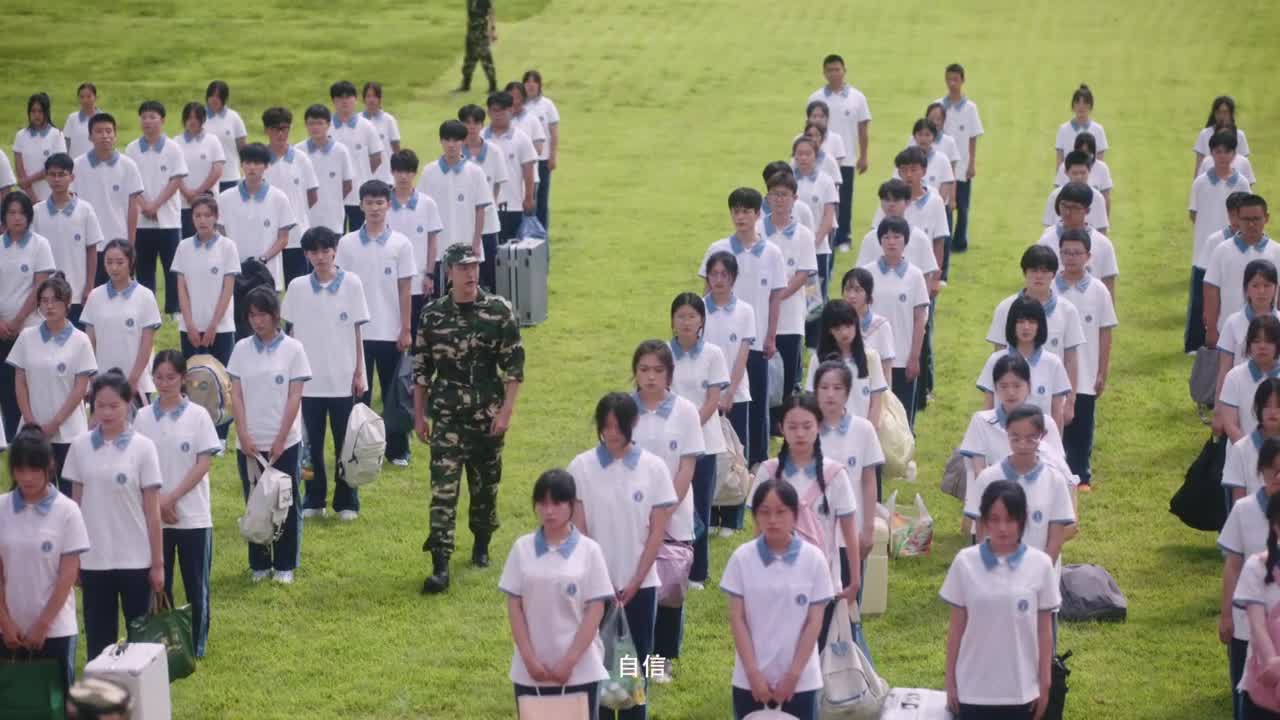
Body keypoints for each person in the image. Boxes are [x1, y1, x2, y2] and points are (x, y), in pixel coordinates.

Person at [413, 244, 524, 593]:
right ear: (449, 272)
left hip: (486, 418)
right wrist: (419, 416)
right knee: (443, 492)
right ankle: (440, 564)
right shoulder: (433, 315)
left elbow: (514, 368)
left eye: (474, 266)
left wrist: (506, 413)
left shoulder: (498, 311)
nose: (471, 274)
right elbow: (421, 370)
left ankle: (481, 542)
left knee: (485, 488)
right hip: (447, 418)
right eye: (463, 268)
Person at [569, 393, 676, 720]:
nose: (611, 433)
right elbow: (580, 531)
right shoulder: (581, 467)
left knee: (636, 666)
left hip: (640, 586)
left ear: (633, 423)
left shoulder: (653, 468)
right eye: (605, 426)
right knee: (597, 665)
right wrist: (601, 583)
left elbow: (657, 533)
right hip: (595, 589)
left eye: (618, 426)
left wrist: (635, 581)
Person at [64, 370, 164, 662]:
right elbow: (75, 509)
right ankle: (101, 691)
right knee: (98, 643)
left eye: (113, 406)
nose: (106, 413)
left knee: (140, 646)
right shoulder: (80, 447)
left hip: (136, 560)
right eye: (100, 406)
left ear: (128, 403)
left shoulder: (143, 448)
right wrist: (74, 559)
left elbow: (152, 512)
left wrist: (158, 564)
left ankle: (140, 690)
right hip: (94, 560)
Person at [747, 394, 860, 651]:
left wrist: (854, 580)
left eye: (807, 426)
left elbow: (848, 531)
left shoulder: (835, 475)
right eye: (793, 426)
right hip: (774, 580)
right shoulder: (768, 472)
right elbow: (758, 530)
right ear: (781, 429)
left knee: (816, 653)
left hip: (823, 582)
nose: (800, 434)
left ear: (818, 427)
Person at [499, 470, 611, 719]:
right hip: (530, 672)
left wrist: (569, 662)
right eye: (542, 503)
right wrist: (530, 660)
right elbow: (514, 607)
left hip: (580, 670)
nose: (549, 511)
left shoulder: (590, 551)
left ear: (572, 505)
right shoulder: (522, 548)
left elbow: (595, 611)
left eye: (557, 503)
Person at [943, 481, 1059, 720]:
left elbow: (1044, 632)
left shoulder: (1041, 565)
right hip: (972, 692)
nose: (1002, 528)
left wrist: (1044, 683)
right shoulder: (965, 563)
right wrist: (950, 681)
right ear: (984, 520)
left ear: (1023, 519)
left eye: (1010, 519)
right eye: (994, 519)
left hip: (1022, 693)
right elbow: (956, 629)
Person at [722, 479, 834, 720]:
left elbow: (814, 622)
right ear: (755, 516)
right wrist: (753, 675)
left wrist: (793, 676)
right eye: (764, 512)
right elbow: (737, 619)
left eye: (781, 512)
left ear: (795, 515)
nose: (772, 520)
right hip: (749, 681)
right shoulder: (742, 559)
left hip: (801, 682)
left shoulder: (814, 560)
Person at [133, 351, 219, 658]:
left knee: (196, 585)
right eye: (159, 377)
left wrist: (171, 498)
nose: (165, 383)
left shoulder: (198, 416)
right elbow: (137, 465)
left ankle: (196, 645)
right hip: (156, 518)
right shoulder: (142, 418)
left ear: (183, 379)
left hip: (193, 516)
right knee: (160, 584)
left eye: (171, 377)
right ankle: (165, 645)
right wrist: (158, 504)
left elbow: (203, 463)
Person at [629, 340, 706, 682]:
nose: (650, 377)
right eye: (644, 369)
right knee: (634, 591)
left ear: (669, 375)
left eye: (658, 370)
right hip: (632, 516)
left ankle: (662, 662)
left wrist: (664, 508)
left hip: (675, 515)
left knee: (670, 589)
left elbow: (687, 467)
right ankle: (633, 662)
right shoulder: (624, 410)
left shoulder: (685, 411)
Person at [284, 226, 369, 520]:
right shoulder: (297, 287)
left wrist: (360, 372)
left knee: (347, 444)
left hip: (343, 380)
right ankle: (313, 498)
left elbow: (357, 332)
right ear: (306, 254)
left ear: (334, 251)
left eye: (325, 250)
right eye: (314, 252)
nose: (320, 257)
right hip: (308, 382)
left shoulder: (352, 284)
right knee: (310, 446)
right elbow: (291, 334)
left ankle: (347, 501)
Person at [227, 287, 311, 584]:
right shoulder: (241, 349)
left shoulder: (293, 350)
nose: (257, 321)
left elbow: (294, 396)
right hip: (250, 443)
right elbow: (236, 394)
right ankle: (259, 563)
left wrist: (280, 438)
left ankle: (285, 564)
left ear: (275, 315)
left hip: (285, 442)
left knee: (285, 502)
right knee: (255, 502)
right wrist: (243, 433)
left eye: (262, 314)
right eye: (251, 315)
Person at [698, 189, 786, 467]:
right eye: (736, 211)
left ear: (758, 214)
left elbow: (775, 297)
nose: (740, 217)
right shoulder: (718, 249)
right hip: (721, 342)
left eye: (746, 211)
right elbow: (706, 293)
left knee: (754, 401)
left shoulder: (772, 253)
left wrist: (771, 335)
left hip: (755, 341)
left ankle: (756, 461)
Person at [0, 427, 90, 692]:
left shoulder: (67, 511)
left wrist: (43, 624)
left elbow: (67, 575)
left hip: (56, 629)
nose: (26, 477)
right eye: (20, 470)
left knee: (55, 703)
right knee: (12, 703)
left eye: (34, 469)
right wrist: (5, 622)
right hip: (8, 629)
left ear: (48, 467)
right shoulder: (2, 508)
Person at [337, 180, 416, 467]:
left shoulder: (401, 244)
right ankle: (360, 449)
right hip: (357, 332)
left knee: (394, 396)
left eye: (379, 202)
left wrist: (406, 328)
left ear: (388, 205)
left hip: (390, 331)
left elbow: (405, 289)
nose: (374, 208)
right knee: (360, 396)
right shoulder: (346, 244)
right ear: (360, 205)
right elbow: (342, 288)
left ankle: (398, 450)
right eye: (369, 202)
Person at [812, 361, 883, 659]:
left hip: (849, 536)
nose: (830, 394)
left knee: (847, 605)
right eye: (824, 388)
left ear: (848, 392)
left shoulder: (862, 430)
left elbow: (868, 480)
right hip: (813, 536)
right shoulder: (807, 429)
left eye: (837, 388)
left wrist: (868, 528)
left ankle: (850, 668)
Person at [9, 275, 96, 492]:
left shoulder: (80, 340)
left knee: (69, 493)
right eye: (44, 300)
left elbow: (80, 388)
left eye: (55, 300)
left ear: (67, 303)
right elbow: (20, 382)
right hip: (32, 431)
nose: (49, 306)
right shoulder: (27, 337)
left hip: (69, 432)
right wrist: (31, 422)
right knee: (33, 492)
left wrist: (55, 424)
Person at [668, 293, 729, 587]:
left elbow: (713, 400)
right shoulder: (663, 355)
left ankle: (697, 572)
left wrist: (689, 427)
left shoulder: (713, 354)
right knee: (672, 503)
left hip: (705, 442)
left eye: (692, 316)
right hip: (670, 443)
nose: (686, 322)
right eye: (681, 316)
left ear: (702, 321)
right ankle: (670, 563)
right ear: (672, 320)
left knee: (700, 507)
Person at [965, 405, 1076, 558]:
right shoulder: (987, 478)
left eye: (1031, 438)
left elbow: (1055, 541)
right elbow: (982, 535)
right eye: (1015, 438)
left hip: (1040, 571)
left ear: (1042, 435)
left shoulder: (1055, 481)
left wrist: (1041, 571)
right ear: (1006, 432)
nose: (1022, 445)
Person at [1221, 437, 1280, 719]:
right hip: (1253, 643)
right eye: (1273, 469)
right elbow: (1232, 566)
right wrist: (1226, 615)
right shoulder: (1244, 510)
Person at [1054, 229, 1117, 490]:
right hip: (1056, 371)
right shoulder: (1050, 288)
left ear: (1088, 256)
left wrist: (1102, 370)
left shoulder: (1098, 290)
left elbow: (1105, 332)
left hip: (1086, 370)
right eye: (1066, 252)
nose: (1071, 258)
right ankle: (1055, 471)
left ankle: (1081, 475)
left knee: (1082, 425)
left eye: (1077, 253)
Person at [986, 246, 1085, 406]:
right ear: (1024, 273)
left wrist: (1070, 401)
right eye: (1033, 270)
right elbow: (999, 354)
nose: (1039, 276)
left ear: (1054, 274)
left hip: (1050, 397)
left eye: (1045, 271)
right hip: (1010, 399)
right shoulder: (1005, 308)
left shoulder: (1067, 310)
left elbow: (1071, 358)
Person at [701, 252, 755, 535]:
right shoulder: (698, 308)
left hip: (738, 393)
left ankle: (733, 518)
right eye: (714, 274)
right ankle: (710, 514)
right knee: (710, 453)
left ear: (733, 278)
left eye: (724, 274)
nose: (719, 280)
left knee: (735, 456)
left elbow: (743, 354)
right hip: (705, 395)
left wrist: (731, 391)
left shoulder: (745, 311)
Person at [1188, 131, 1252, 353]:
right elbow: (1193, 213)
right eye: (1218, 151)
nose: (1222, 156)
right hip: (1207, 247)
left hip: (1237, 244)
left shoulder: (1242, 182)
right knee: (1201, 297)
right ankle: (1195, 342)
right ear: (1211, 153)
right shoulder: (1200, 182)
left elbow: (1249, 210)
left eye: (1227, 151)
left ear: (1234, 154)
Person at [861, 217, 928, 428]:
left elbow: (920, 320)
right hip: (871, 357)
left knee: (902, 420)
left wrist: (914, 357)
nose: (891, 242)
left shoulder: (915, 276)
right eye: (886, 237)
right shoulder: (867, 273)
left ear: (905, 240)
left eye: (897, 237)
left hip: (902, 359)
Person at [0, 192, 57, 439]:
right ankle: (12, 439)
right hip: (2, 331)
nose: (17, 218)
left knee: (29, 385)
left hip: (30, 328)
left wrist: (17, 320)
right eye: (11, 212)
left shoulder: (39, 245)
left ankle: (33, 436)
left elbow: (39, 286)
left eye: (22, 213)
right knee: (6, 387)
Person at [761, 171, 818, 416]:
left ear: (794, 198)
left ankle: (785, 421)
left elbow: (803, 273)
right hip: (761, 313)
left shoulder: (803, 234)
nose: (779, 199)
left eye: (784, 195)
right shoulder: (758, 229)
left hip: (791, 317)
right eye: (774, 194)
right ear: (767, 197)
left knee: (786, 376)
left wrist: (779, 294)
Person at [959, 354, 1070, 479]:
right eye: (1003, 386)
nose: (1010, 392)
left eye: (1017, 385)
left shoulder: (1046, 423)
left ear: (1029, 386)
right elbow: (978, 472)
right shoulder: (981, 421)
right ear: (995, 388)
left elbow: (1058, 469)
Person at [80, 239, 161, 404]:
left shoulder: (145, 296)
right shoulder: (95, 296)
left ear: (131, 262)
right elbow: (89, 343)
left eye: (120, 262)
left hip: (136, 385)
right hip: (102, 383)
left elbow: (146, 344)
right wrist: (94, 379)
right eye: (109, 262)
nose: (114, 268)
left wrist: (133, 380)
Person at [126, 100, 188, 313]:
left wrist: (156, 205)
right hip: (141, 220)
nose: (148, 121)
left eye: (152, 117)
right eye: (144, 117)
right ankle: (147, 308)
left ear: (162, 120)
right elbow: (130, 182)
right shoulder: (132, 149)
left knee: (172, 266)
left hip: (168, 220)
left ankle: (174, 308)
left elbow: (176, 180)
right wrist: (144, 206)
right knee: (144, 267)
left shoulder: (173, 148)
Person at [976, 296, 1071, 430]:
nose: (1026, 327)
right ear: (1012, 325)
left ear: (1040, 325)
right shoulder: (996, 360)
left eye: (1032, 322)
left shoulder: (1053, 363)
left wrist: (1055, 442)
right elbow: (988, 408)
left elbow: (1057, 413)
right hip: (1001, 437)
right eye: (1020, 321)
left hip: (1039, 440)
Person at [808, 54, 871, 252]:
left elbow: (863, 129)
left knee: (843, 199)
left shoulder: (857, 98)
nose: (834, 73)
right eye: (830, 70)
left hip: (846, 159)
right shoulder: (816, 98)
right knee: (820, 198)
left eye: (837, 69)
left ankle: (843, 237)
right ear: (824, 73)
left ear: (844, 71)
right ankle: (822, 235)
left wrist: (864, 156)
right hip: (819, 159)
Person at [72, 113, 143, 285]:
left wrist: (130, 244)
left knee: (118, 290)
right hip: (86, 243)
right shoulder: (77, 165)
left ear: (115, 135)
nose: (105, 136)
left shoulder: (128, 166)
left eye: (109, 131)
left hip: (117, 242)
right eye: (99, 131)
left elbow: (133, 207)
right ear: (90, 136)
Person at [33, 153, 102, 327]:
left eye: (62, 174)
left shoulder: (85, 210)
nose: (57, 179)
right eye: (52, 174)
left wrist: (89, 286)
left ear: (71, 177)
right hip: (46, 293)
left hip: (77, 292)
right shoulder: (37, 212)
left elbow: (92, 251)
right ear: (46, 177)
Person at [216, 143, 296, 292]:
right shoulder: (225, 198)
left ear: (266, 166)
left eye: (257, 163)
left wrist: (263, 259)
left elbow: (283, 238)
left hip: (269, 274)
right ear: (241, 165)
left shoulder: (279, 198)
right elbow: (221, 234)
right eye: (247, 163)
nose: (252, 167)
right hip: (235, 274)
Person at [173, 194, 238, 369]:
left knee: (222, 378)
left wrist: (214, 325)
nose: (202, 220)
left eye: (207, 215)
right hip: (191, 330)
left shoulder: (228, 247)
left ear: (216, 217)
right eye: (198, 215)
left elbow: (227, 290)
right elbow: (182, 289)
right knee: (193, 377)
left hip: (221, 328)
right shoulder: (184, 247)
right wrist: (189, 325)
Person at [1206, 195, 1278, 349]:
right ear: (1237, 219)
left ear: (1266, 218)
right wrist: (1211, 329)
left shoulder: (1276, 251)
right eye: (1246, 219)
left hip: (1269, 337)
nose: (1251, 224)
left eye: (1256, 219)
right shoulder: (1222, 250)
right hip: (1230, 333)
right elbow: (1211, 289)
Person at [1231, 494, 1280, 719]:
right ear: (1275, 526)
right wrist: (1272, 662)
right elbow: (1257, 626)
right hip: (1263, 690)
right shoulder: (1256, 567)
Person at [417, 120, 491, 266]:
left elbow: (480, 210)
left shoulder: (475, 172)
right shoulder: (429, 171)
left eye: (456, 140)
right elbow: (422, 210)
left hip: (467, 247)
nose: (451, 145)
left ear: (463, 141)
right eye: (447, 140)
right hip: (437, 249)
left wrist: (476, 243)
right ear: (440, 141)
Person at [805, 299, 887, 427]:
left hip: (863, 431)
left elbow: (876, 401)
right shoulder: (818, 359)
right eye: (837, 328)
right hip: (828, 430)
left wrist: (870, 431)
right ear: (829, 330)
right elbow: (812, 399)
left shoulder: (870, 357)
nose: (844, 333)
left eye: (848, 326)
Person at [263, 107, 319, 287]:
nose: (281, 134)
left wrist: (295, 215)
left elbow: (312, 196)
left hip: (297, 237)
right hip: (268, 238)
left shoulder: (301, 159)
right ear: (267, 130)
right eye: (276, 129)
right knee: (269, 290)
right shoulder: (260, 160)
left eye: (285, 129)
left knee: (299, 287)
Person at [872, 148, 949, 279]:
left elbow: (939, 241)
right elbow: (876, 233)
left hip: (923, 269)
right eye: (904, 170)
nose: (908, 174)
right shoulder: (889, 201)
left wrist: (936, 277)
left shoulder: (935, 202)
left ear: (924, 171)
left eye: (913, 170)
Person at [387, 149, 444, 319]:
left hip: (418, 282)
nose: (403, 177)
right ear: (392, 172)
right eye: (399, 171)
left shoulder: (427, 204)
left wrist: (429, 275)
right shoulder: (382, 205)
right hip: (388, 282)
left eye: (408, 171)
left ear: (415, 173)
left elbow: (432, 242)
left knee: (417, 328)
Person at [1037, 181, 1118, 300]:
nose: (1067, 212)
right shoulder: (1046, 241)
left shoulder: (1103, 245)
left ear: (1087, 211)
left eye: (1075, 208)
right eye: (1064, 206)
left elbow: (1108, 288)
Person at [857, 179, 941, 292]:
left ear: (907, 202)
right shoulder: (870, 238)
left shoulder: (920, 238)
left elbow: (926, 274)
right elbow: (861, 274)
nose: (891, 204)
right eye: (886, 200)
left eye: (896, 200)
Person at [937, 64, 983, 252]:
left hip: (962, 166)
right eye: (949, 79)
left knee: (962, 207)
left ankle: (960, 241)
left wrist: (972, 163)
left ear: (962, 80)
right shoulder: (939, 106)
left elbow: (973, 137)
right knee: (944, 205)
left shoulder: (970, 108)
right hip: (942, 166)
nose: (952, 83)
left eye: (956, 79)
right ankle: (943, 240)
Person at [458, 104, 507, 281]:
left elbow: (497, 184)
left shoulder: (494, 151)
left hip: (488, 223)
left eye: (476, 122)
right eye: (467, 122)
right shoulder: (455, 152)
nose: (471, 127)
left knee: (489, 273)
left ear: (482, 124)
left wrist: (490, 203)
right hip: (463, 222)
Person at [1219, 260, 1280, 397]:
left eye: (1267, 285)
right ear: (1246, 289)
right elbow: (1224, 370)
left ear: (1276, 288)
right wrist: (1219, 405)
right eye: (1255, 285)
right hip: (1240, 395)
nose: (1261, 291)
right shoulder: (1233, 323)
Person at [329, 81, 384, 233]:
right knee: (334, 238)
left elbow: (376, 157)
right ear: (333, 100)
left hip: (360, 196)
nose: (344, 101)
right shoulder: (327, 127)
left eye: (348, 97)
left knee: (359, 237)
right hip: (334, 197)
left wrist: (362, 175)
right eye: (340, 97)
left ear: (355, 99)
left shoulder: (366, 126)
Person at [485, 92, 537, 248]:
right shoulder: (481, 139)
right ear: (488, 112)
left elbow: (528, 169)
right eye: (494, 110)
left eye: (503, 110)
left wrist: (529, 197)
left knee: (511, 251)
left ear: (511, 111)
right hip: (485, 207)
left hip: (513, 204)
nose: (498, 115)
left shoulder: (521, 138)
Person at [297, 104, 355, 234]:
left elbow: (348, 184)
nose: (315, 127)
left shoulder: (341, 151)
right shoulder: (298, 151)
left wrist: (333, 200)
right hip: (306, 220)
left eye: (319, 123)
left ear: (328, 124)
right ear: (306, 125)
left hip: (333, 220)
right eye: (311, 123)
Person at [791, 137, 836, 297]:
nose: (803, 158)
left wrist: (813, 244)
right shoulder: (786, 181)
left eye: (808, 153)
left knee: (814, 298)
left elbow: (828, 218)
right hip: (791, 249)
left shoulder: (826, 181)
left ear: (816, 156)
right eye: (799, 153)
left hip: (818, 249)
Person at [175, 103, 226, 241]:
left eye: (196, 118)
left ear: (203, 119)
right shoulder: (176, 142)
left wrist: (198, 193)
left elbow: (217, 170)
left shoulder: (212, 141)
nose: (192, 121)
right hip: (183, 203)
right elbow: (174, 173)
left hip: (208, 200)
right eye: (189, 118)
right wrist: (187, 193)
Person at [1224, 381, 1280, 504]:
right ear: (1258, 408)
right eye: (1267, 405)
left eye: (1278, 406)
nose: (1273, 411)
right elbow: (1238, 502)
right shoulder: (1241, 449)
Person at [841, 267, 894, 381]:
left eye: (858, 290)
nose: (851, 295)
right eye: (847, 289)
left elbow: (886, 370)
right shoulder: (836, 325)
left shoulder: (881, 326)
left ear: (868, 294)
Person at [522, 70, 559, 229]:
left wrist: (552, 156)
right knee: (527, 197)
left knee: (542, 198)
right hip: (524, 161)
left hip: (542, 159)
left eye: (534, 81)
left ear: (539, 85)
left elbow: (554, 133)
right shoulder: (519, 106)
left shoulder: (547, 105)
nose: (530, 85)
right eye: (527, 81)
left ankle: (542, 232)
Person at [13, 92, 66, 202]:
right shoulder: (21, 135)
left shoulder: (57, 135)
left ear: (46, 112)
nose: (36, 115)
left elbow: (56, 165)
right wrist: (32, 197)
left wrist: (29, 180)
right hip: (26, 195)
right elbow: (19, 167)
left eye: (40, 111)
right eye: (33, 111)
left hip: (49, 194)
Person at [1042, 153, 1109, 235]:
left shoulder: (1098, 197)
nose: (1079, 177)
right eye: (1075, 173)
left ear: (1089, 171)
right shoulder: (1055, 196)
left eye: (1083, 173)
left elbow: (1102, 229)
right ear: (1066, 172)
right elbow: (1048, 227)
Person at [899, 118, 955, 210]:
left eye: (927, 135)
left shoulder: (943, 160)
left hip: (936, 209)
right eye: (920, 134)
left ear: (934, 137)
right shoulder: (904, 159)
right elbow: (898, 183)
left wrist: (933, 208)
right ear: (914, 137)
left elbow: (944, 190)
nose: (923, 139)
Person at [203, 81, 248, 192]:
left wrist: (246, 169)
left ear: (224, 98)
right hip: (204, 178)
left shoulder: (233, 117)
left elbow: (242, 147)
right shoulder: (200, 116)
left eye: (218, 96)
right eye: (212, 96)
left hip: (230, 176)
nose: (214, 99)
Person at [1055, 84, 1108, 171]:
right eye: (1078, 102)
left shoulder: (1098, 130)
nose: (1081, 106)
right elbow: (1059, 161)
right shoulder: (1063, 129)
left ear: (1090, 106)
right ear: (1073, 106)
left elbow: (1100, 162)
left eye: (1085, 103)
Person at [1196, 96, 1251, 177]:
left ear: (1231, 114)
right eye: (1218, 112)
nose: (1221, 116)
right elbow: (1199, 166)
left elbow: (1244, 166)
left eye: (1225, 112)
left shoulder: (1240, 135)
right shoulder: (1204, 134)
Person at [362, 82, 401, 182]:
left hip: (386, 177)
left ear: (380, 99)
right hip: (364, 177)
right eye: (368, 96)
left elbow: (396, 148)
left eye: (375, 96)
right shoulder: (358, 120)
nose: (371, 100)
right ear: (364, 99)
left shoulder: (389, 120)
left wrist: (397, 171)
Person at [457, 0, 498, 94]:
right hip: (471, 33)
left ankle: (493, 86)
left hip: (481, 34)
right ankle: (466, 84)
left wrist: (492, 30)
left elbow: (491, 12)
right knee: (469, 59)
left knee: (486, 60)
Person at [62, 83, 101, 160]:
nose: (85, 100)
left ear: (95, 97)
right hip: (75, 163)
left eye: (89, 96)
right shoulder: (72, 118)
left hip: (98, 163)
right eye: (82, 97)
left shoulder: (103, 118)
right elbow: (66, 143)